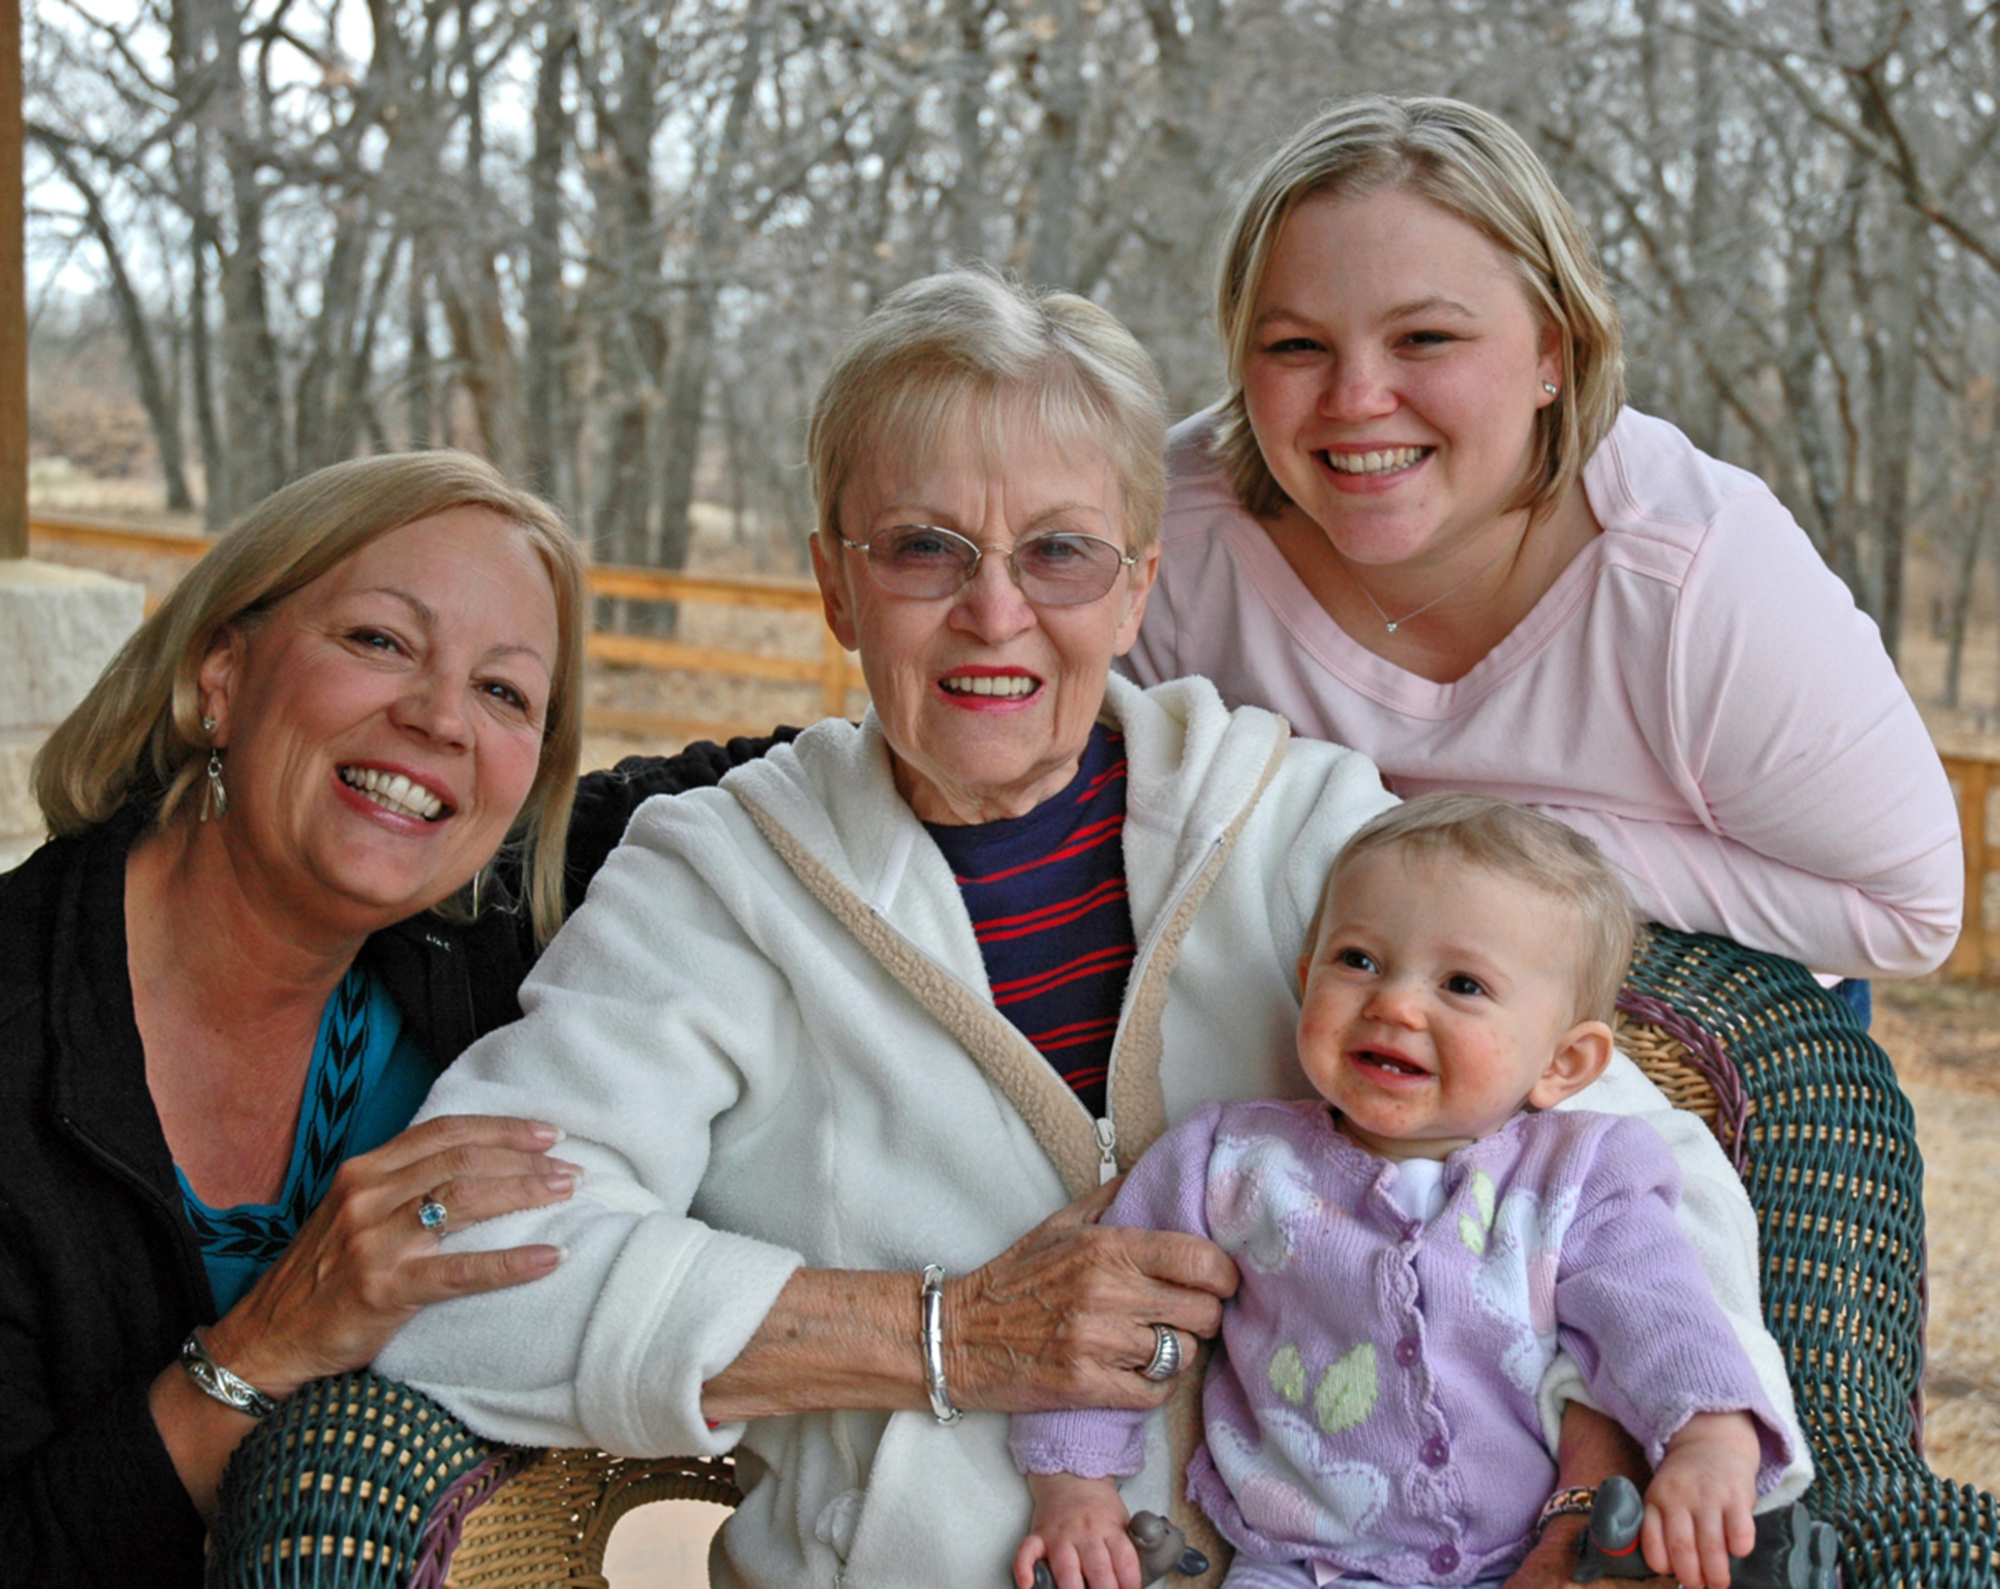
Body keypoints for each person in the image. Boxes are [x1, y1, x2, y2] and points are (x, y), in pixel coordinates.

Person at [376, 269, 1804, 1589]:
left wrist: (1588, 1486)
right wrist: (936, 1332)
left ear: (1136, 588)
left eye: (1060, 553)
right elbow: (452, 1282)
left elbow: (1635, 1164)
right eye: (925, 549)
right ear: (833, 583)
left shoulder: (1304, 825)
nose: (995, 613)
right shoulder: (716, 884)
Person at [0, 451, 781, 1589]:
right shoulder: (21, 1022)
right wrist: (263, 1347)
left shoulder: (501, 926)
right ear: (221, 668)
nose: (437, 717)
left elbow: (825, 767)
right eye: (379, 640)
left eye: (505, 691)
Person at [1121, 96, 1962, 1010]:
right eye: (1294, 345)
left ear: (1551, 352)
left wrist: (1500, 852)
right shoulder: (1168, 533)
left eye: (1425, 338)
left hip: (1690, 1041)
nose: (1356, 396)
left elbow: (1914, 910)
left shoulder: (1696, 573)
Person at [1012, 794, 1792, 1589]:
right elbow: (1110, 1311)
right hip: (1300, 1563)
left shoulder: (1579, 1176)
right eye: (1359, 961)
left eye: (1462, 983)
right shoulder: (1230, 1158)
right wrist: (1073, 1482)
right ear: (1307, 980)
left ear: (1562, 1063)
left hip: (1526, 1557)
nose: (1395, 1002)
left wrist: (1710, 1438)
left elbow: (1660, 1312)